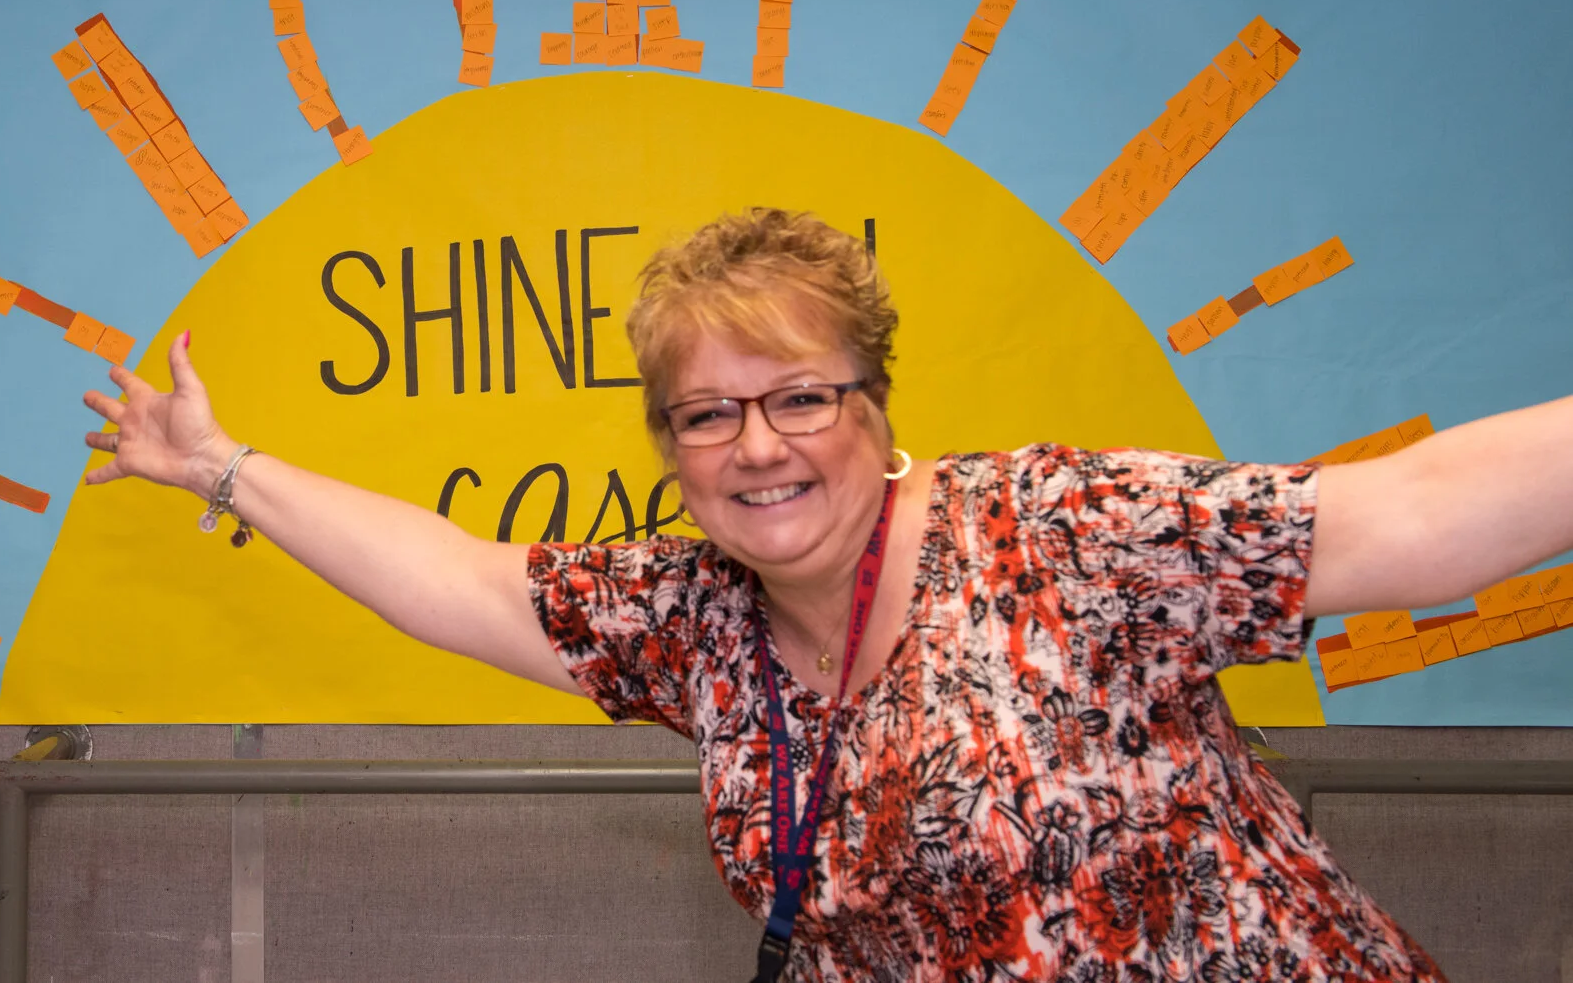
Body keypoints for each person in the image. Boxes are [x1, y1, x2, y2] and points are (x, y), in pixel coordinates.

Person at [81, 208, 1569, 982]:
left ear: (874, 400)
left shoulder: (1059, 530)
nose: (758, 446)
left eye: (798, 394)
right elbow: (462, 581)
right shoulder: (694, 616)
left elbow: (1408, 511)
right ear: (666, 445)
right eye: (705, 413)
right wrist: (226, 471)